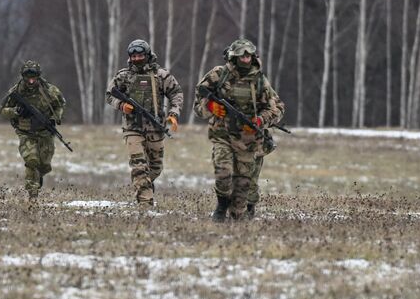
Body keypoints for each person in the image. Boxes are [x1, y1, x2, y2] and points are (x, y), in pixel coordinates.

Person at [194, 38, 285, 221]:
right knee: (223, 171)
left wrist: (260, 120)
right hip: (222, 135)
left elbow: (277, 108)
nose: (245, 59)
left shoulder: (259, 81)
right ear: (234, 57)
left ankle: (240, 214)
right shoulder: (219, 74)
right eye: (242, 56)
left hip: (249, 141)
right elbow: (198, 103)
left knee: (243, 188)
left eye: (249, 56)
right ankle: (221, 206)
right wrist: (211, 107)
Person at [104, 39, 182, 206]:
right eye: (134, 56)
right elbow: (109, 95)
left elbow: (176, 93)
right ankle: (145, 204)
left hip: (155, 127)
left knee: (155, 167)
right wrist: (121, 105)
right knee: (139, 166)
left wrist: (173, 113)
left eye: (140, 55)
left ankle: (145, 184)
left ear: (147, 55)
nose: (137, 59)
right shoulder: (123, 76)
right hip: (132, 128)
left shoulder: (161, 75)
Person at [0, 60, 66, 201]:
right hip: (26, 132)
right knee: (31, 160)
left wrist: (55, 118)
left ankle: (38, 176)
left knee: (45, 164)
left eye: (33, 76)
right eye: (27, 76)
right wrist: (15, 111)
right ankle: (32, 195)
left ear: (38, 76)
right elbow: (2, 110)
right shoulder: (16, 91)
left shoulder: (49, 90)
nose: (30, 80)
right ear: (23, 76)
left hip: (45, 132)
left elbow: (61, 104)